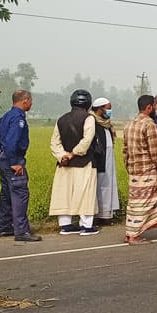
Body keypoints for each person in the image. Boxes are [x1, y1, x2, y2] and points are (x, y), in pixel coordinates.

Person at [49, 89, 101, 236]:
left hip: (64, 164)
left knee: (64, 193)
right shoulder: (88, 118)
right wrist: (73, 153)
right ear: (89, 103)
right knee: (85, 194)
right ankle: (86, 226)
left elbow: (54, 143)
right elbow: (87, 140)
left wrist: (62, 156)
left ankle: (65, 225)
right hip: (84, 162)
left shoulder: (61, 119)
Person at [122, 95, 157, 245]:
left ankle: (129, 232)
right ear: (150, 107)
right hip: (147, 170)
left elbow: (125, 150)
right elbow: (155, 152)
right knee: (145, 203)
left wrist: (129, 167)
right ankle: (135, 235)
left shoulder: (129, 125)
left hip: (134, 170)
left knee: (134, 202)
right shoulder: (149, 124)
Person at [0, 90, 40, 241]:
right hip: (12, 159)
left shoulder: (6, 116)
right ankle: (21, 231)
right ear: (25, 100)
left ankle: (5, 226)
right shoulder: (18, 118)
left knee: (7, 193)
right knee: (20, 193)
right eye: (31, 100)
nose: (31, 103)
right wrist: (14, 162)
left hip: (3, 156)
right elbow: (12, 141)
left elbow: (0, 138)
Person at [90, 97, 119, 225]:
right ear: (100, 109)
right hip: (99, 160)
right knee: (98, 187)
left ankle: (106, 215)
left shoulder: (107, 124)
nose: (109, 111)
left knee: (108, 186)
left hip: (108, 159)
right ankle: (96, 215)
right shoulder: (92, 122)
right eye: (108, 108)